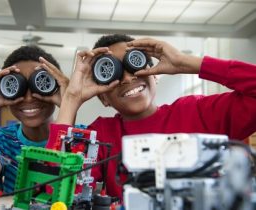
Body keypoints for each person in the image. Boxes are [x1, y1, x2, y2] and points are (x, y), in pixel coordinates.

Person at [46, 34, 256, 201]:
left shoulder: (197, 111)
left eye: (135, 63)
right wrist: (71, 99)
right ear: (103, 98)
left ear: (154, 73)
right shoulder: (101, 134)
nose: (128, 78)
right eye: (112, 73)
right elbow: (54, 192)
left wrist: (187, 62)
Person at [0, 45, 69, 196]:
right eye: (18, 87)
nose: (28, 97)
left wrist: (69, 103)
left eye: (39, 84)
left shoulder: (80, 137)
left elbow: (57, 189)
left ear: (56, 86)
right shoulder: (2, 140)